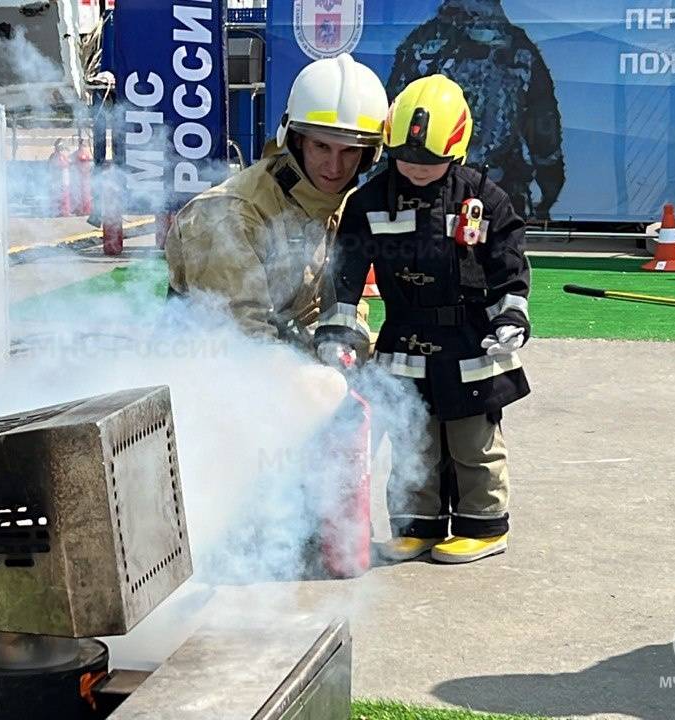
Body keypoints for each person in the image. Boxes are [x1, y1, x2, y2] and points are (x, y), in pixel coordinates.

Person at [315, 74, 531, 564]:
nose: (414, 169)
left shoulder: (483, 198)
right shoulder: (371, 200)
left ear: (456, 149)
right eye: (405, 159)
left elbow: (508, 262)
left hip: (470, 344)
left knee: (473, 443)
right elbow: (345, 269)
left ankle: (484, 525)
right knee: (415, 441)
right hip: (405, 339)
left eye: (429, 163)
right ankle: (417, 525)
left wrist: (511, 315)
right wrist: (337, 329)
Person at [164, 54, 388, 347]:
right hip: (208, 369)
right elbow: (242, 340)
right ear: (296, 140)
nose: (335, 168)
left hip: (278, 353)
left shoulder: (338, 207)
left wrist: (345, 344)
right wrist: (310, 379)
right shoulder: (230, 215)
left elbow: (330, 304)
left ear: (368, 156)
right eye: (321, 146)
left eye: (349, 151)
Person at [388, 0, 564, 220]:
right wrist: (550, 191)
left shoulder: (421, 43)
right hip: (488, 198)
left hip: (425, 194)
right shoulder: (519, 49)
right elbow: (545, 138)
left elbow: (392, 121)